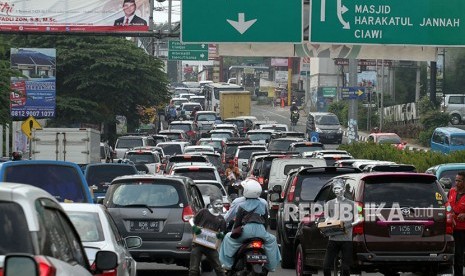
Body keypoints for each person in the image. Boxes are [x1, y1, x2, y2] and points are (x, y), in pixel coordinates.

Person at [219, 178, 281, 272]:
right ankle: (271, 266)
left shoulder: (241, 205)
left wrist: (235, 232)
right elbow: (265, 221)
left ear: (246, 191)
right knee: (272, 240)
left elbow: (237, 223)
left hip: (245, 231)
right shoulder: (263, 203)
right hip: (261, 231)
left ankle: (228, 265)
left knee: (228, 238)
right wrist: (263, 232)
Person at [322, 179, 361, 276]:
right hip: (333, 238)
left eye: (338, 188)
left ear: (343, 189)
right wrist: (327, 225)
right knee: (326, 267)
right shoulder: (329, 204)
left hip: (346, 239)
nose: (336, 190)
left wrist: (349, 225)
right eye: (334, 188)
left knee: (346, 268)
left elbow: (358, 219)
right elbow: (326, 218)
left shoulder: (352, 204)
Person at [189, 196, 227, 276]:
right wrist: (194, 227)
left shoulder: (221, 219)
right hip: (198, 244)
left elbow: (223, 232)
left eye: (221, 204)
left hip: (211, 246)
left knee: (219, 269)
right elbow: (191, 220)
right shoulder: (203, 212)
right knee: (193, 270)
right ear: (211, 204)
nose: (219, 206)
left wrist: (221, 235)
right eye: (217, 204)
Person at [447, 171, 465, 276]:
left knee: (459, 255)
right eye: (456, 180)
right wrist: (450, 214)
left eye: (459, 181)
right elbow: (447, 205)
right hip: (451, 229)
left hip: (462, 230)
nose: (456, 183)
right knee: (453, 254)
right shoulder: (451, 191)